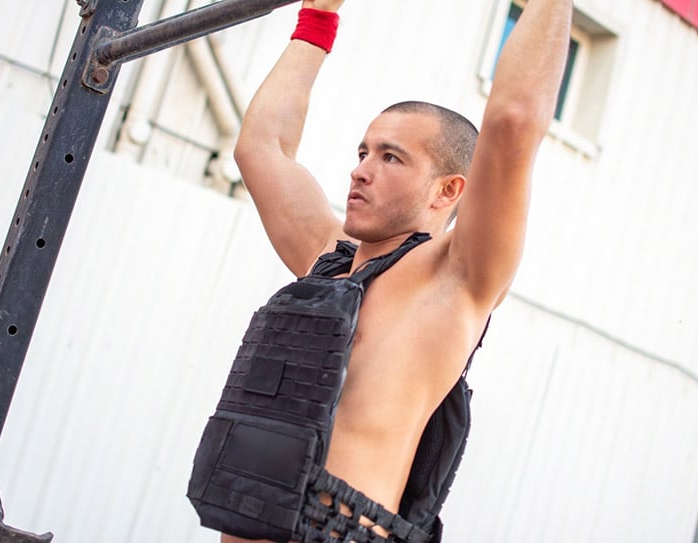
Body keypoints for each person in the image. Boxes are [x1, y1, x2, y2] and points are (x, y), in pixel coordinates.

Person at [223, 0, 572, 541]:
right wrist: (317, 16)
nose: (360, 171)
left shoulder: (456, 279)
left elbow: (514, 121)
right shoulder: (328, 260)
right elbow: (261, 147)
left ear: (449, 190)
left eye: (390, 158)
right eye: (363, 151)